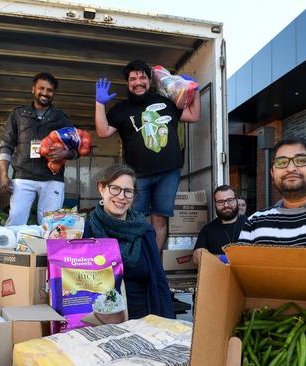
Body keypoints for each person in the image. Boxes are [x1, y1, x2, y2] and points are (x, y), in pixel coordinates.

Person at [94, 60, 201, 252]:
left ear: (149, 80)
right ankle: (133, 260)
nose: (138, 82)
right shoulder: (121, 109)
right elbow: (102, 132)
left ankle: (154, 263)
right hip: (136, 176)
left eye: (142, 77)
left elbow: (193, 115)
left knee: (159, 219)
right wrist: (99, 103)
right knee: (133, 217)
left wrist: (195, 90)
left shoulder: (167, 101)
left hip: (169, 172)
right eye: (133, 78)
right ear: (128, 83)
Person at [83, 164, 174, 320]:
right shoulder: (86, 230)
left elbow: (159, 281)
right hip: (99, 323)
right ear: (101, 188)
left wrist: (169, 324)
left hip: (142, 323)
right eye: (115, 188)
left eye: (128, 191)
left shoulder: (145, 231)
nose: (121, 196)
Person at [0, 72, 79, 225]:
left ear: (53, 93)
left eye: (49, 90)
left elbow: (78, 147)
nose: (45, 93)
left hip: (52, 178)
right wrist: (3, 174)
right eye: (41, 88)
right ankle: (12, 249)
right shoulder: (19, 114)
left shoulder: (61, 117)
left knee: (50, 224)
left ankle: (46, 250)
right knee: (15, 219)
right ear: (33, 89)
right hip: (23, 176)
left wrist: (66, 153)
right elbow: (6, 145)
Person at [192, 185, 246, 265]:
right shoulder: (208, 229)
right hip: (219, 276)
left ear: (236, 201)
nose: (226, 205)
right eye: (221, 202)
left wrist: (212, 258)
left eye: (230, 200)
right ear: (215, 205)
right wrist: (224, 258)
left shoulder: (250, 223)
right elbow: (197, 258)